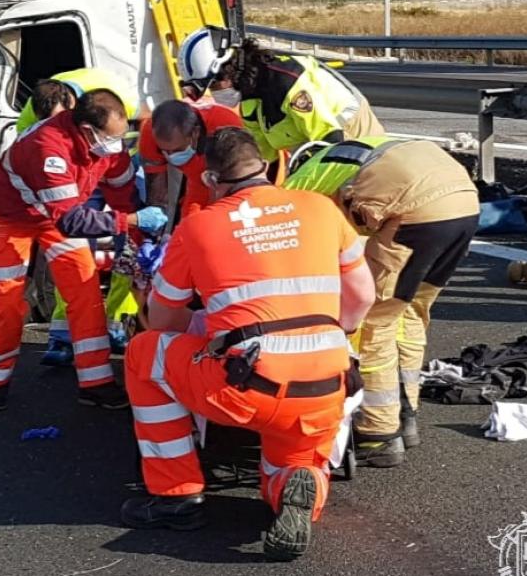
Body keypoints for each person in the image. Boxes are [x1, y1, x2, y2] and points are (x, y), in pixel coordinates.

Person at [121, 127, 375, 561]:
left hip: (247, 385)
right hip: (327, 381)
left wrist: (205, 336)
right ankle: (297, 489)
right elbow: (362, 297)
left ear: (210, 179)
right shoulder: (319, 208)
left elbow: (164, 322)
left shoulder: (199, 226)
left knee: (145, 354)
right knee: (288, 461)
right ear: (268, 167)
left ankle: (176, 495)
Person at [284, 136, 479, 467]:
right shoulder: (364, 154)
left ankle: (378, 434)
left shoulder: (301, 183)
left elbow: (296, 241)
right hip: (466, 206)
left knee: (375, 320)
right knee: (412, 312)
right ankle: (408, 416)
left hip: (417, 214)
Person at [0, 89, 169, 414]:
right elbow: (72, 221)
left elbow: (120, 189)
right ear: (87, 130)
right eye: (111, 138)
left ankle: (96, 383)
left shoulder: (107, 144)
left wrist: (139, 235)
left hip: (61, 214)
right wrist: (130, 220)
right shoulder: (48, 146)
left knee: (85, 291)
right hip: (11, 218)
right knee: (8, 300)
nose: (117, 145)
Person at [215, 38, 385, 161]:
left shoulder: (286, 82)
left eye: (215, 86)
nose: (213, 93)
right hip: (312, 143)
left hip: (348, 130)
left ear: (231, 74)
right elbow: (263, 155)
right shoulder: (249, 98)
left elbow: (328, 136)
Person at [139, 99, 244, 221]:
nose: (170, 156)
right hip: (196, 183)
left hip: (226, 183)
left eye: (177, 149)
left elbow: (238, 179)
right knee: (187, 226)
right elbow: (157, 191)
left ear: (195, 133)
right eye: (165, 151)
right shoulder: (151, 132)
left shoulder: (225, 125)